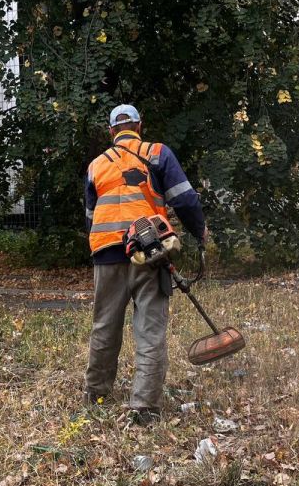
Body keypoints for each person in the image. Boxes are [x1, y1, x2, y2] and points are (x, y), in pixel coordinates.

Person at [84, 104, 207, 424]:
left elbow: (90, 216)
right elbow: (184, 198)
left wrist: (105, 244)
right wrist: (200, 230)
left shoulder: (96, 165)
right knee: (150, 330)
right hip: (148, 252)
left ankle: (96, 393)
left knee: (104, 326)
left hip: (107, 252)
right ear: (139, 126)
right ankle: (144, 408)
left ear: (112, 132)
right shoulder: (157, 153)